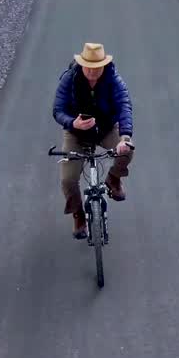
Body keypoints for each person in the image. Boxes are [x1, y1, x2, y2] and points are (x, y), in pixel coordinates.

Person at [53, 42, 134, 239]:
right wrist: (73, 123)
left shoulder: (113, 80)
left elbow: (124, 105)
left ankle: (113, 179)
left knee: (128, 150)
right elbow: (58, 110)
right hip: (76, 133)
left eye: (96, 67)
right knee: (68, 179)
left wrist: (125, 137)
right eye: (87, 66)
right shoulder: (69, 79)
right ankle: (78, 214)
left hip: (105, 129)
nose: (91, 71)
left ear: (103, 66)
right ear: (81, 63)